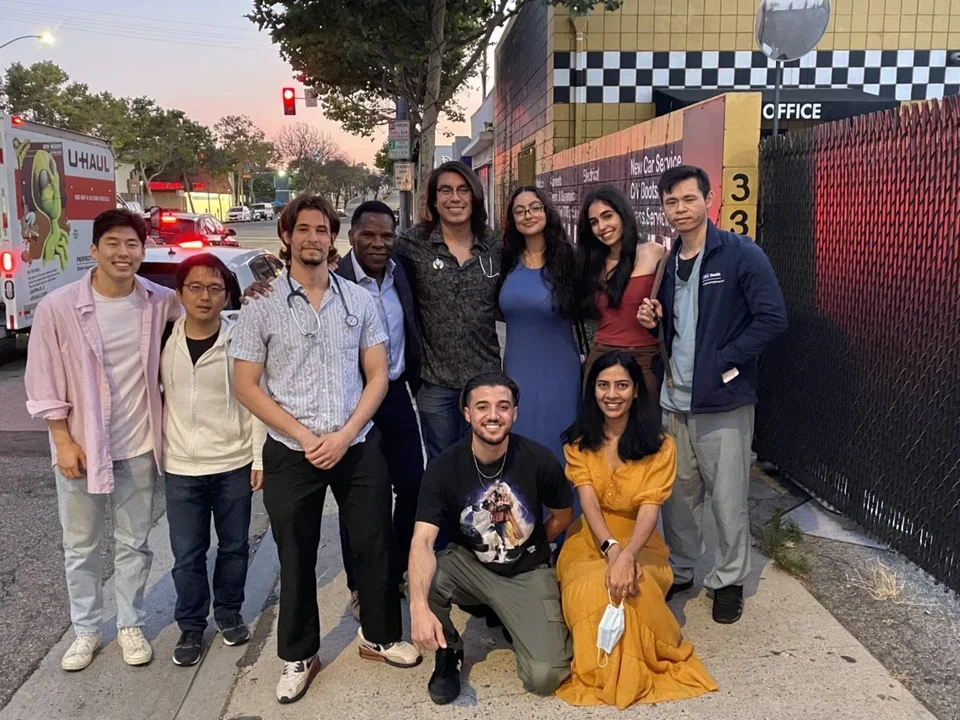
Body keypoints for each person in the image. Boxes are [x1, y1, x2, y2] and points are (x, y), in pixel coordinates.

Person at [230, 195, 421, 705]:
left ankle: (379, 636)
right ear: (286, 236)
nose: (313, 238)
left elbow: (378, 375)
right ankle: (299, 653)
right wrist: (305, 436)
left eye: (321, 230)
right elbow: (246, 385)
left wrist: (345, 433)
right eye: (304, 229)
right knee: (295, 552)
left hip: (355, 442)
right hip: (292, 448)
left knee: (375, 542)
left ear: (331, 238)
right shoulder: (262, 303)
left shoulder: (357, 300)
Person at [24, 208, 181, 671]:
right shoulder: (58, 307)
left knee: (135, 541)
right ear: (94, 250)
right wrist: (62, 440)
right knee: (81, 545)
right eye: (112, 243)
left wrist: (249, 294)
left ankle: (130, 623)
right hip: (81, 444)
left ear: (143, 251)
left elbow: (204, 306)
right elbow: (41, 378)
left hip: (137, 442)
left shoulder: (158, 300)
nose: (123, 252)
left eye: (132, 244)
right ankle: (86, 630)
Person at [638, 165, 788, 623]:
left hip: (722, 400)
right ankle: (683, 568)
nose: (680, 209)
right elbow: (680, 323)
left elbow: (772, 318)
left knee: (726, 497)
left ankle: (728, 580)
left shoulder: (740, 253)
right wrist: (654, 318)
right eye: (671, 202)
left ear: (709, 200)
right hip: (674, 399)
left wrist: (725, 359)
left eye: (689, 199)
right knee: (680, 497)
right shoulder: (669, 262)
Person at [555, 351, 718, 708]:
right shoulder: (578, 442)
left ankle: (627, 671)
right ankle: (598, 670)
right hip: (590, 538)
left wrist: (628, 555)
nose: (612, 394)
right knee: (593, 586)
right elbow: (588, 502)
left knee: (633, 591)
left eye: (622, 385)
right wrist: (612, 550)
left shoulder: (660, 446)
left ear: (636, 391)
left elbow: (649, 510)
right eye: (603, 385)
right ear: (592, 390)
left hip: (641, 542)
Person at [408, 372, 575, 705]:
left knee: (545, 677)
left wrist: (531, 545)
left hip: (526, 571)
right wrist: (417, 607)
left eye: (503, 406)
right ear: (467, 413)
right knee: (426, 579)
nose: (493, 415)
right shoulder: (443, 468)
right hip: (472, 565)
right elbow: (422, 541)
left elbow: (562, 516)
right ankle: (449, 651)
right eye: (482, 406)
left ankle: (514, 617)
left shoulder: (539, 459)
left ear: (515, 412)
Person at [161, 253, 267, 667]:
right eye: (195, 287)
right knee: (187, 553)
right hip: (181, 466)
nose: (205, 297)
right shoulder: (162, 339)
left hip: (232, 462)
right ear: (179, 293)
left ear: (227, 296)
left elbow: (255, 400)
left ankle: (228, 612)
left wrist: (258, 458)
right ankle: (190, 625)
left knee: (234, 545)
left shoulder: (239, 340)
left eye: (215, 289)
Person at [335, 200, 424, 622]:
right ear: (352, 235)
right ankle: (360, 585)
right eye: (368, 234)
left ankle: (398, 569)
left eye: (387, 235)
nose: (378, 243)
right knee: (359, 499)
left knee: (413, 487)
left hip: (396, 394)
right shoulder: (334, 280)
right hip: (353, 403)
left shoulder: (401, 272)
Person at [395, 161, 502, 461]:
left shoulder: (494, 246)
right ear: (433, 199)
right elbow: (371, 263)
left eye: (463, 190)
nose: (455, 198)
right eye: (446, 190)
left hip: (485, 380)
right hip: (434, 384)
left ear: (474, 197)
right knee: (442, 465)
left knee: (485, 461)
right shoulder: (412, 244)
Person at [498, 186, 580, 463]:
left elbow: (591, 310)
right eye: (519, 211)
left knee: (560, 445)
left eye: (534, 208)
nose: (528, 215)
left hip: (561, 373)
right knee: (521, 444)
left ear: (547, 211)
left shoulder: (570, 259)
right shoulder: (505, 260)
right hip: (517, 370)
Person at [575, 186, 666, 399]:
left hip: (644, 360)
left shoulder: (653, 253)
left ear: (623, 214)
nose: (602, 227)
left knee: (645, 420)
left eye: (607, 216)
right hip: (601, 359)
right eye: (594, 222)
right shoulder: (589, 263)